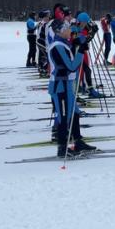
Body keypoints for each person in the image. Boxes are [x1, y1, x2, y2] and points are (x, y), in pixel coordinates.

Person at [47, 19, 96, 156]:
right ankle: (62, 149)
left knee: (74, 113)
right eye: (68, 28)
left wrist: (82, 41)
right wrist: (81, 50)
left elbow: (74, 42)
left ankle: (78, 142)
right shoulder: (57, 46)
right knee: (63, 117)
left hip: (67, 85)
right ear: (60, 31)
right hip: (60, 86)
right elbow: (71, 66)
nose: (70, 31)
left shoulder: (63, 43)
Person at [36, 9, 51, 76]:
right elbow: (46, 34)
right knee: (44, 57)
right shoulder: (45, 24)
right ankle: (43, 69)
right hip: (42, 42)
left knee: (42, 56)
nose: (49, 17)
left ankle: (42, 68)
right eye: (48, 16)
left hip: (40, 41)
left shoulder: (41, 23)